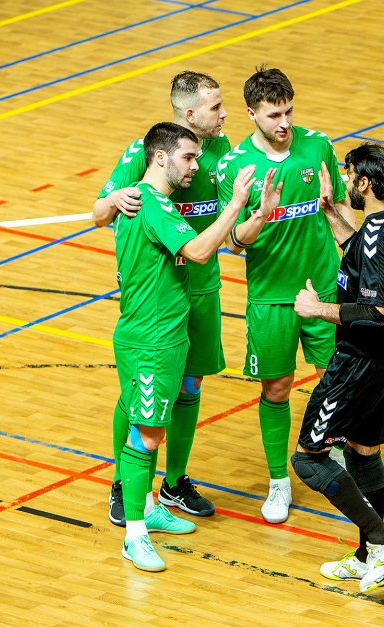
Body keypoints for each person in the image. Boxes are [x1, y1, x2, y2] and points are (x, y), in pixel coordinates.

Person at [111, 121, 260, 571]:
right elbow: (197, 252)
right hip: (150, 340)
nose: (196, 166)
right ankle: (134, 534)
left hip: (168, 335)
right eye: (188, 158)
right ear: (160, 158)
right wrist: (235, 205)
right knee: (149, 433)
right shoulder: (151, 204)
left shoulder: (155, 202)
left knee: (159, 421)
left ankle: (151, 504)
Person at [94, 72, 231, 526]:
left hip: (201, 289)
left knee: (190, 386)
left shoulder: (223, 150)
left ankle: (174, 484)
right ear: (188, 114)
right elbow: (97, 214)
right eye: (215, 107)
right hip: (159, 296)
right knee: (139, 398)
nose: (223, 114)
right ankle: (124, 485)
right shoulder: (149, 152)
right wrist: (114, 197)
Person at [218, 66, 353, 524]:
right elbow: (233, 242)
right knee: (276, 389)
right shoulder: (235, 168)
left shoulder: (318, 145)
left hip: (324, 289)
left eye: (289, 111)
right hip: (271, 297)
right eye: (274, 113)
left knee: (333, 379)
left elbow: (336, 210)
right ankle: (279, 482)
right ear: (251, 113)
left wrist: (335, 208)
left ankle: (331, 453)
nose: (284, 122)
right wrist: (260, 216)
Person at [291, 142, 384, 593]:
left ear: (365, 183)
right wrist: (329, 210)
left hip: (359, 361)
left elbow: (373, 310)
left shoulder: (380, 234)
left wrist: (316, 308)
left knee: (308, 458)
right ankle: (367, 556)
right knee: (364, 450)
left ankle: (383, 539)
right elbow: (358, 249)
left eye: (348, 176)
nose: (345, 182)